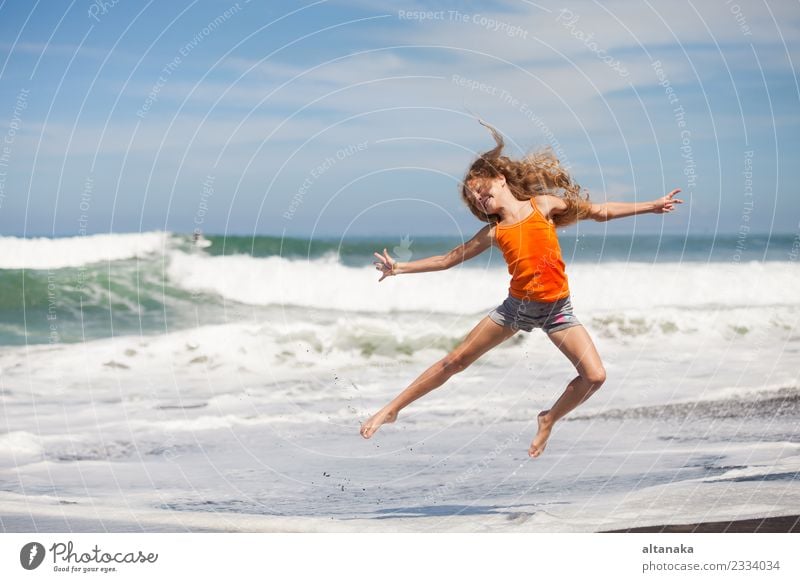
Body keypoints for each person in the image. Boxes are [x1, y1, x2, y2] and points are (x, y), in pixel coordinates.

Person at [360, 120, 683, 457]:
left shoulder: (542, 205)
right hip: (516, 309)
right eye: (473, 197)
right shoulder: (494, 232)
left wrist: (651, 205)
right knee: (454, 361)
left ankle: (549, 418)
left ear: (500, 178)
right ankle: (392, 409)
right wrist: (398, 268)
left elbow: (599, 211)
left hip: (558, 310)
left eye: (481, 189)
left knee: (595, 376)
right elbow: (448, 259)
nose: (479, 198)